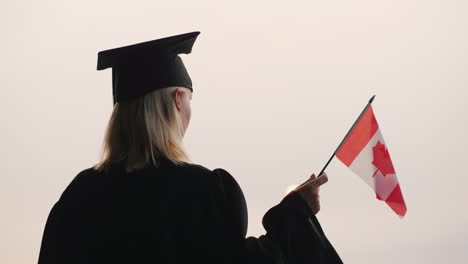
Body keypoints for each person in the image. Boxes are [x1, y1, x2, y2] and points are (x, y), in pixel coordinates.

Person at [37, 31, 343, 264]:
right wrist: (295, 214)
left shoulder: (79, 199)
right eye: (189, 100)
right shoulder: (202, 192)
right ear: (176, 101)